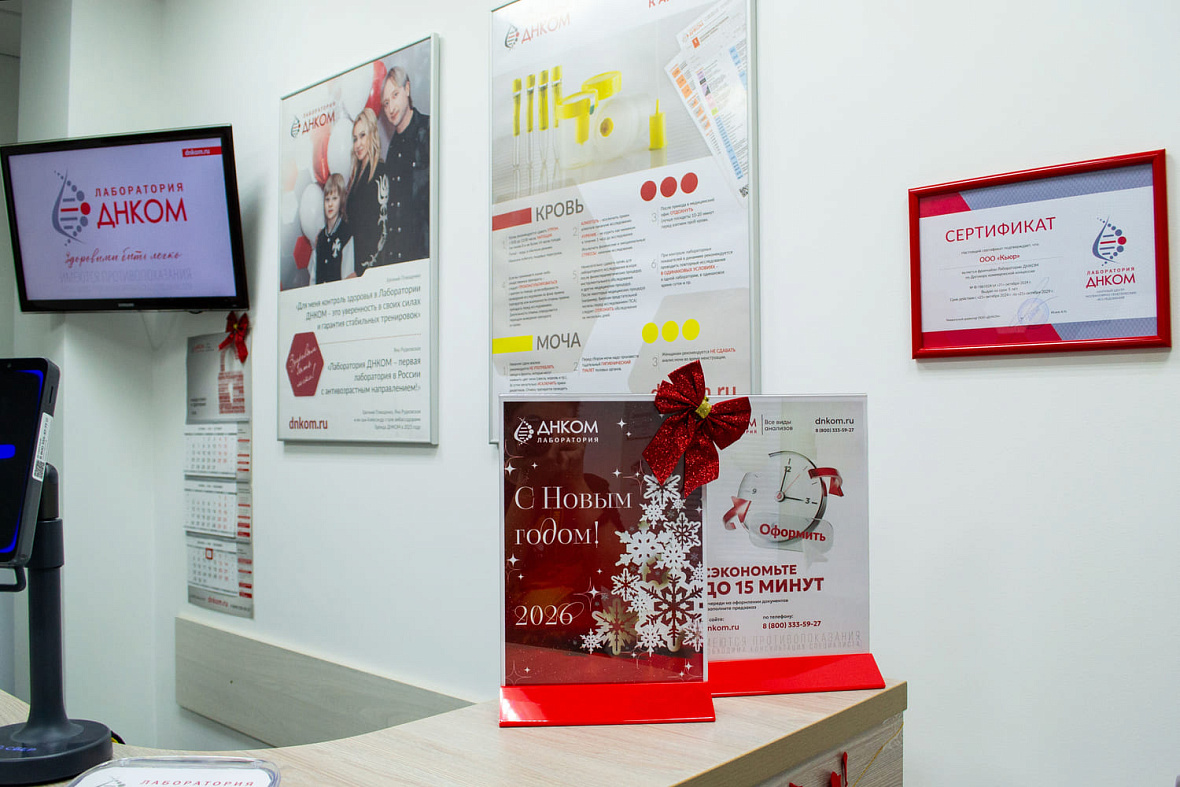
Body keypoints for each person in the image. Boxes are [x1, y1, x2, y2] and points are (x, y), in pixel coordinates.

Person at [381, 66, 430, 264]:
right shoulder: (391, 150)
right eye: (386, 103)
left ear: (407, 89)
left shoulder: (429, 130)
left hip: (424, 257)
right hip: (397, 264)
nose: (391, 107)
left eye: (395, 95)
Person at [346, 108, 390, 274]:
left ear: (372, 133)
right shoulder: (357, 175)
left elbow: (383, 231)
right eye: (355, 139)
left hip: (373, 271)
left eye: (362, 135)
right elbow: (353, 224)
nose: (358, 144)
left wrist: (363, 272)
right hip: (357, 268)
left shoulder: (380, 172)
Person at [307, 173, 354, 285]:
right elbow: (313, 278)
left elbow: (348, 276)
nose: (330, 204)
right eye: (327, 199)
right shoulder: (320, 238)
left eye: (334, 199)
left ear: (341, 200)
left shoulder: (346, 234)